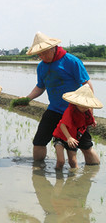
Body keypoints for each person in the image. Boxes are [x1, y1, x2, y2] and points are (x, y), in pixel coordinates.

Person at [23, 32, 94, 162]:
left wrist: (89, 111)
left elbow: (87, 85)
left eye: (44, 53)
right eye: (39, 54)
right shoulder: (41, 66)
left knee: (85, 146)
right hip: (54, 109)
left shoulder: (71, 61)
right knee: (39, 141)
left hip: (75, 111)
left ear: (53, 48)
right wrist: (27, 99)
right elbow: (40, 87)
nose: (42, 56)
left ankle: (93, 171)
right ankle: (38, 169)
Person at [52, 84, 102, 170]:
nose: (84, 108)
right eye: (81, 105)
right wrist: (69, 138)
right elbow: (63, 125)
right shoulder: (70, 110)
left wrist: (93, 122)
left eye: (86, 106)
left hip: (73, 139)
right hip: (61, 136)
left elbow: (88, 119)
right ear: (76, 102)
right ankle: (58, 180)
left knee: (73, 162)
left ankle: (74, 180)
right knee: (61, 161)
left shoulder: (87, 111)